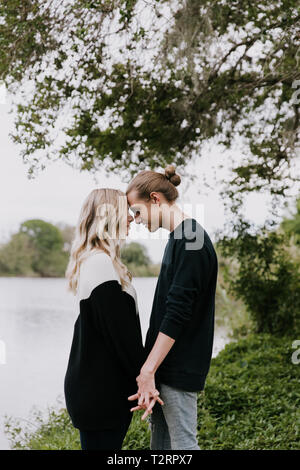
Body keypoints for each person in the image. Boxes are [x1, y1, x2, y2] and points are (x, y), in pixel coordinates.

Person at [126, 165, 218, 450]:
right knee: (161, 448)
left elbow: (178, 313)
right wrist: (151, 369)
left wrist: (148, 369)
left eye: (137, 212)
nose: (136, 221)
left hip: (178, 368)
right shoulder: (178, 237)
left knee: (183, 448)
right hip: (164, 368)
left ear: (155, 199)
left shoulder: (192, 240)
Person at [64, 188, 163, 450]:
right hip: (99, 394)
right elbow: (121, 336)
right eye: (125, 212)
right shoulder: (99, 263)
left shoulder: (104, 262)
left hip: (102, 390)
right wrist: (146, 380)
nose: (131, 218)